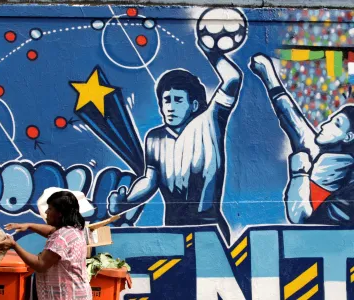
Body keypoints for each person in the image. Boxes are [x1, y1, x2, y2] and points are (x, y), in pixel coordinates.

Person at [107, 30, 243, 244]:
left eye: (178, 100)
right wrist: (126, 202)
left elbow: (233, 78)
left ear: (194, 104)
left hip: (210, 227)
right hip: (172, 228)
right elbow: (149, 181)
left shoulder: (210, 121)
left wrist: (211, 52)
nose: (170, 106)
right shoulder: (154, 138)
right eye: (166, 100)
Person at [250, 53, 354, 225]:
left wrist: (299, 173)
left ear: (349, 137)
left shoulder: (339, 177)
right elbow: (293, 119)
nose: (323, 125)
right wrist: (270, 78)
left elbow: (302, 219)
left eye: (336, 124)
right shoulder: (322, 158)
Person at [0, 191, 92, 300]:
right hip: (78, 294)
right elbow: (51, 231)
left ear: (60, 213)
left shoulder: (61, 237)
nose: (46, 212)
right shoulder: (74, 230)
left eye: (50, 209)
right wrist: (29, 225)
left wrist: (14, 245)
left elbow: (40, 264)